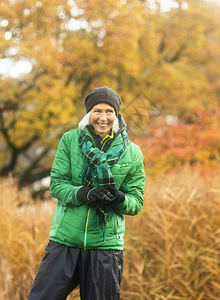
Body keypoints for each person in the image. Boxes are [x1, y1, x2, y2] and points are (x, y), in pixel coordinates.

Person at [28, 86, 145, 300]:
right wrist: (85, 194)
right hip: (65, 241)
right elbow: (57, 185)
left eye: (109, 111)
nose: (103, 117)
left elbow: (136, 201)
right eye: (97, 111)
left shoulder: (132, 152)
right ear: (88, 114)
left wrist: (119, 198)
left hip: (106, 246)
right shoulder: (70, 140)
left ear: (116, 115)